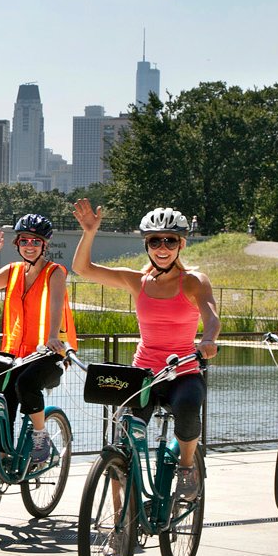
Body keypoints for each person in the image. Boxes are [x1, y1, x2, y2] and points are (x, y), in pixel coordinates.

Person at [72, 200, 220, 508]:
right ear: (146, 244)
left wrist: (208, 338)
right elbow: (83, 269)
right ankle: (118, 527)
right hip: (144, 375)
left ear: (181, 244)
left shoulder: (193, 280)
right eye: (155, 241)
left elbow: (211, 315)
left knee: (189, 408)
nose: (162, 247)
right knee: (121, 445)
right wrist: (89, 232)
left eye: (170, 240)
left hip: (184, 372)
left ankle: (186, 466)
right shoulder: (137, 281)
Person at [0, 213, 77, 504]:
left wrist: (54, 337)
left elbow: (56, 304)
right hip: (15, 353)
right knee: (0, 408)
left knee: (27, 384)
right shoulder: (13, 270)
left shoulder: (55, 272)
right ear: (18, 243)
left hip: (48, 354)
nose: (30, 246)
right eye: (25, 241)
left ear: (45, 245)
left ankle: (41, 439)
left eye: (36, 241)